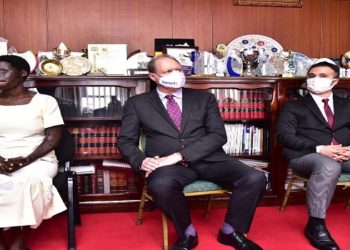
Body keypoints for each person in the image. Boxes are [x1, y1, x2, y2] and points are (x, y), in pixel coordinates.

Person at [117, 55, 266, 250]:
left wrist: (179, 156)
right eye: (168, 71)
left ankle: (231, 231)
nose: (176, 74)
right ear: (153, 77)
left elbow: (218, 135)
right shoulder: (138, 103)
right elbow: (125, 141)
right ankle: (187, 234)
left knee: (255, 178)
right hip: (168, 167)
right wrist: (141, 161)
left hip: (209, 159)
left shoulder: (204, 98)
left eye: (178, 69)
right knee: (161, 185)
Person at [277, 58, 350, 250]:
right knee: (328, 165)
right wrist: (320, 148)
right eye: (311, 76)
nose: (315, 79)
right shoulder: (294, 106)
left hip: (345, 153)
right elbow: (284, 136)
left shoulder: (347, 104)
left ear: (334, 81)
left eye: (322, 76)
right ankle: (316, 225)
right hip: (307, 156)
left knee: (334, 162)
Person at [0, 55, 66, 250]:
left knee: (24, 184)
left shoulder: (45, 102)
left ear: (22, 74)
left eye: (4, 71)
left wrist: (25, 160)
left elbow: (53, 138)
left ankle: (19, 243)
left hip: (38, 159)